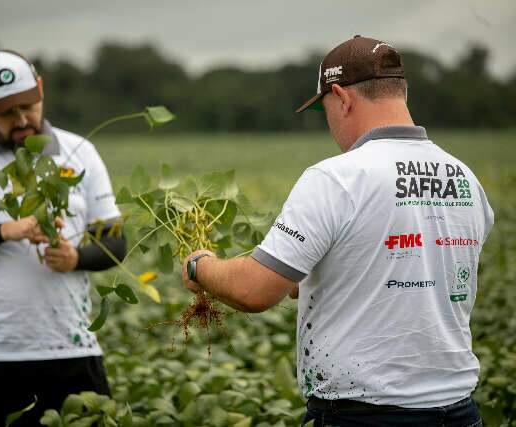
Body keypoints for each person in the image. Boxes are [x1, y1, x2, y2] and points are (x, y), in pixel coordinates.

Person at [182, 36, 493, 426]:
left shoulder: (337, 177)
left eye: (326, 109)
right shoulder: (465, 178)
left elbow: (253, 291)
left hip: (363, 415)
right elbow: (408, 267)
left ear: (342, 97)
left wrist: (201, 266)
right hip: (460, 412)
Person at [0, 50, 126, 426]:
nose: (22, 120)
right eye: (6, 113)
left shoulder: (82, 153)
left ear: (41, 89)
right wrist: (3, 231)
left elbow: (115, 243)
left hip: (70, 349)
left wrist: (76, 258)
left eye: (28, 106)